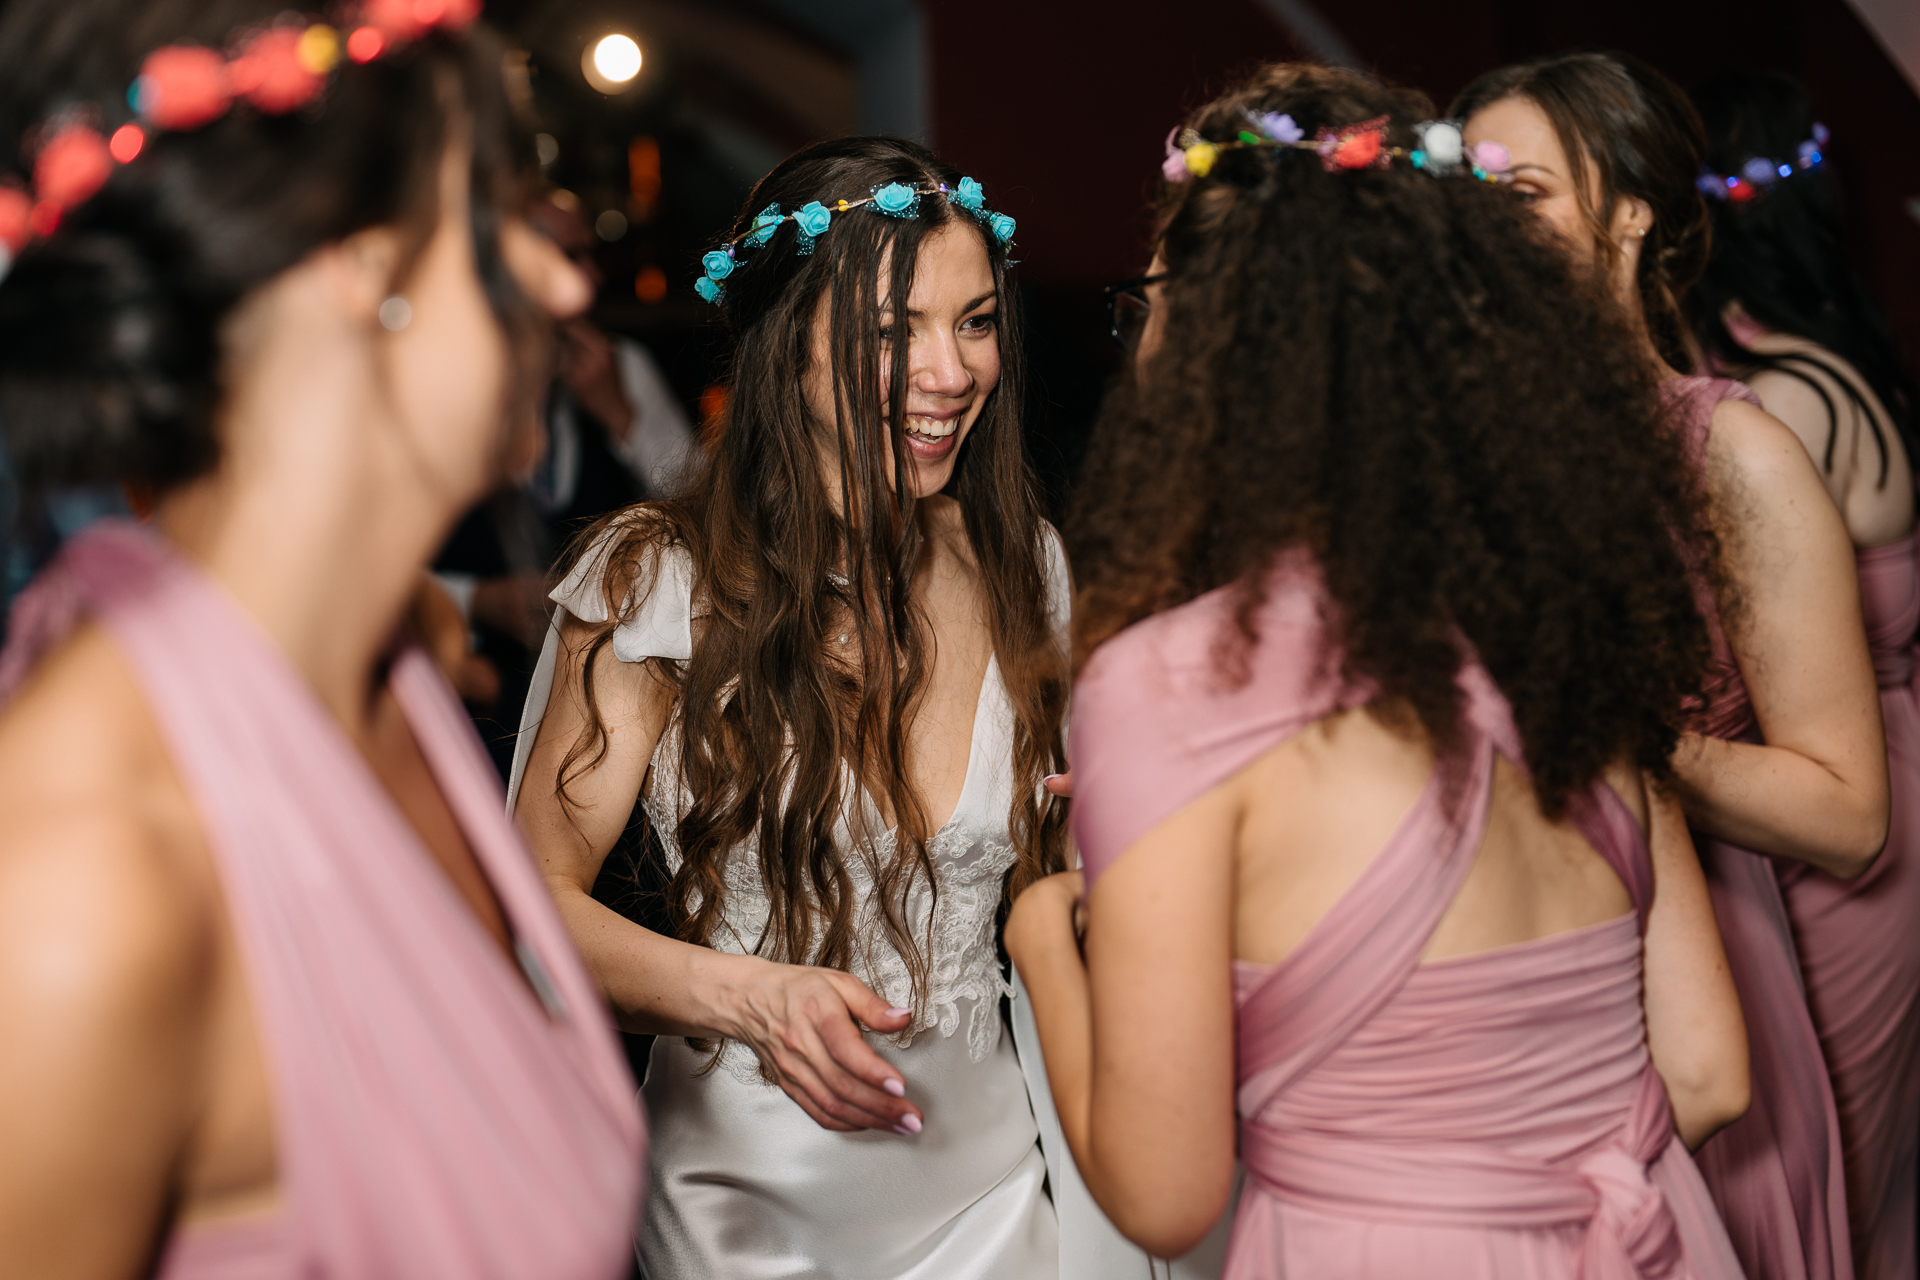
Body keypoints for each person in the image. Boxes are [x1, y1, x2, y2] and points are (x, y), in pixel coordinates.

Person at [1007, 61, 1751, 1278]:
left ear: (1208, 335)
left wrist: (1044, 931)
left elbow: (1164, 1191)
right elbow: (1710, 1068)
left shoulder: (1169, 685)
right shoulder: (1567, 615)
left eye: (1156, 300)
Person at [0, 1, 645, 1276]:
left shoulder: (391, 664)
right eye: (505, 209)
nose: (567, 280)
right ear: (361, 263)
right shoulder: (87, 888)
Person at [510, 137, 1069, 1277]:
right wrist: (748, 995)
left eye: (973, 321)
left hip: (997, 1190)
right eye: (890, 331)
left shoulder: (1029, 568)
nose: (951, 372)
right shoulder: (656, 582)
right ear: (786, 345)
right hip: (746, 1207)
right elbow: (526, 909)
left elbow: (1051, 888)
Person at [1457, 52, 1889, 1280]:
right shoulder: (1452, 448)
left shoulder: (1732, 453)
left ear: (1630, 213)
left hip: (1694, 973)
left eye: (1524, 192)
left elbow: (1851, 816)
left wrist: (1622, 737)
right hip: (1499, 967)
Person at [1689, 68, 1920, 1280]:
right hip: (1888, 751)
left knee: (1830, 1139)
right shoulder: (1852, 363)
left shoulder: (1775, 407)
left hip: (1828, 797)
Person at [434, 191, 696, 778]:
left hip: (604, 708)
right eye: (568, 255)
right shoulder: (439, 377)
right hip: (466, 706)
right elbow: (366, 560)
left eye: (588, 256)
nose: (589, 278)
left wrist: (622, 418)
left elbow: (702, 506)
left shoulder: (621, 367)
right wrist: (474, 599)